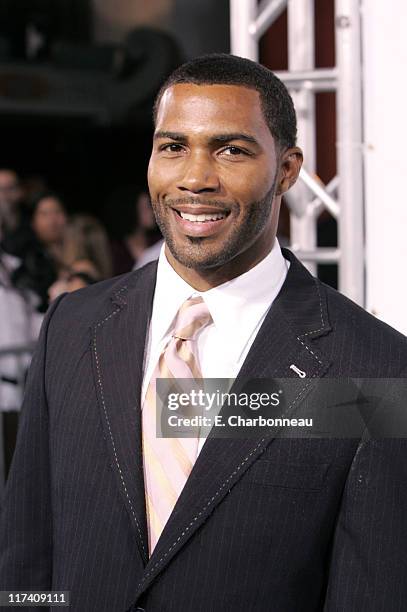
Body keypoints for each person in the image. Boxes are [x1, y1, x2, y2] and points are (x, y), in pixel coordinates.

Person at [0, 54, 406, 612]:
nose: (194, 177)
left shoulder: (373, 369)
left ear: (287, 170)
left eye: (231, 149)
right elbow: (25, 558)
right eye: (173, 147)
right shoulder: (73, 326)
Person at [48, 214, 113, 300]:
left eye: (63, 240)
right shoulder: (95, 272)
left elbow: (74, 309)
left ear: (72, 243)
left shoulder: (78, 277)